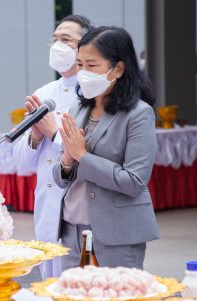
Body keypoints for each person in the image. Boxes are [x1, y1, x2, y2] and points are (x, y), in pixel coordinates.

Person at [53, 26, 159, 270]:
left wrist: (82, 156)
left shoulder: (139, 114)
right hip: (72, 226)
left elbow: (134, 181)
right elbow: (61, 179)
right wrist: (67, 161)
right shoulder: (77, 109)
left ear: (118, 69)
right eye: (80, 65)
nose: (83, 73)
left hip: (115, 231)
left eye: (92, 65)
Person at [13, 14, 94, 279]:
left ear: (84, 47)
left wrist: (53, 132)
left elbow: (92, 154)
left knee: (79, 280)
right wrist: (36, 136)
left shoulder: (94, 93)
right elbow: (23, 163)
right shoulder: (44, 92)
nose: (57, 45)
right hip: (47, 202)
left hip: (78, 207)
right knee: (49, 278)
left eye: (66, 39)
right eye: (55, 39)